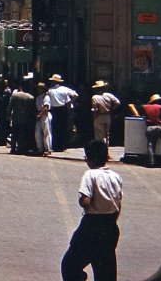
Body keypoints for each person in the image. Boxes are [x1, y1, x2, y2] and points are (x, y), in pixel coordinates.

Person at [61, 140, 122, 281]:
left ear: (88, 158)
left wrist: (82, 201)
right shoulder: (115, 177)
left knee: (70, 265)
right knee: (105, 271)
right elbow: (118, 205)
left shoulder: (90, 175)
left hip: (91, 226)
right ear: (107, 158)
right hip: (110, 226)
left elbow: (86, 201)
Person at [47, 74, 78, 151]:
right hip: (63, 109)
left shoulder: (50, 91)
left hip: (54, 110)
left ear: (53, 82)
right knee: (63, 128)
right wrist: (70, 102)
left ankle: (56, 146)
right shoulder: (65, 89)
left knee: (54, 128)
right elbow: (76, 95)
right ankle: (62, 146)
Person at [7, 77, 36, 154]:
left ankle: (13, 148)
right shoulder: (30, 97)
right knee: (22, 134)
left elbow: (10, 107)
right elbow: (32, 110)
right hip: (25, 119)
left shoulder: (15, 95)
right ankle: (21, 148)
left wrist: (8, 115)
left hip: (15, 117)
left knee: (14, 133)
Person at [91, 80, 120, 145]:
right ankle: (106, 148)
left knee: (99, 135)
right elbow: (118, 102)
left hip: (99, 116)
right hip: (107, 116)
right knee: (107, 134)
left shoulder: (95, 97)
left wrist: (94, 117)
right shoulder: (109, 95)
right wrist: (112, 109)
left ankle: (101, 149)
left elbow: (95, 109)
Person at [141, 94, 161, 167]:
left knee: (150, 146)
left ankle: (151, 162)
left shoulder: (145, 107)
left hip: (149, 128)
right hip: (159, 128)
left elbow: (142, 114)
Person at [0, 77, 12, 146]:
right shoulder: (3, 90)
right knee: (0, 125)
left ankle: (1, 141)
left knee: (2, 126)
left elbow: (3, 101)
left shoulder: (6, 91)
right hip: (1, 111)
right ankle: (0, 140)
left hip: (3, 111)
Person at [35, 82, 52, 156]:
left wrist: (40, 115)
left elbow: (46, 107)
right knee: (37, 133)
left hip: (44, 114)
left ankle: (47, 149)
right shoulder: (38, 97)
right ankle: (40, 149)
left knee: (46, 132)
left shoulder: (46, 97)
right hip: (39, 114)